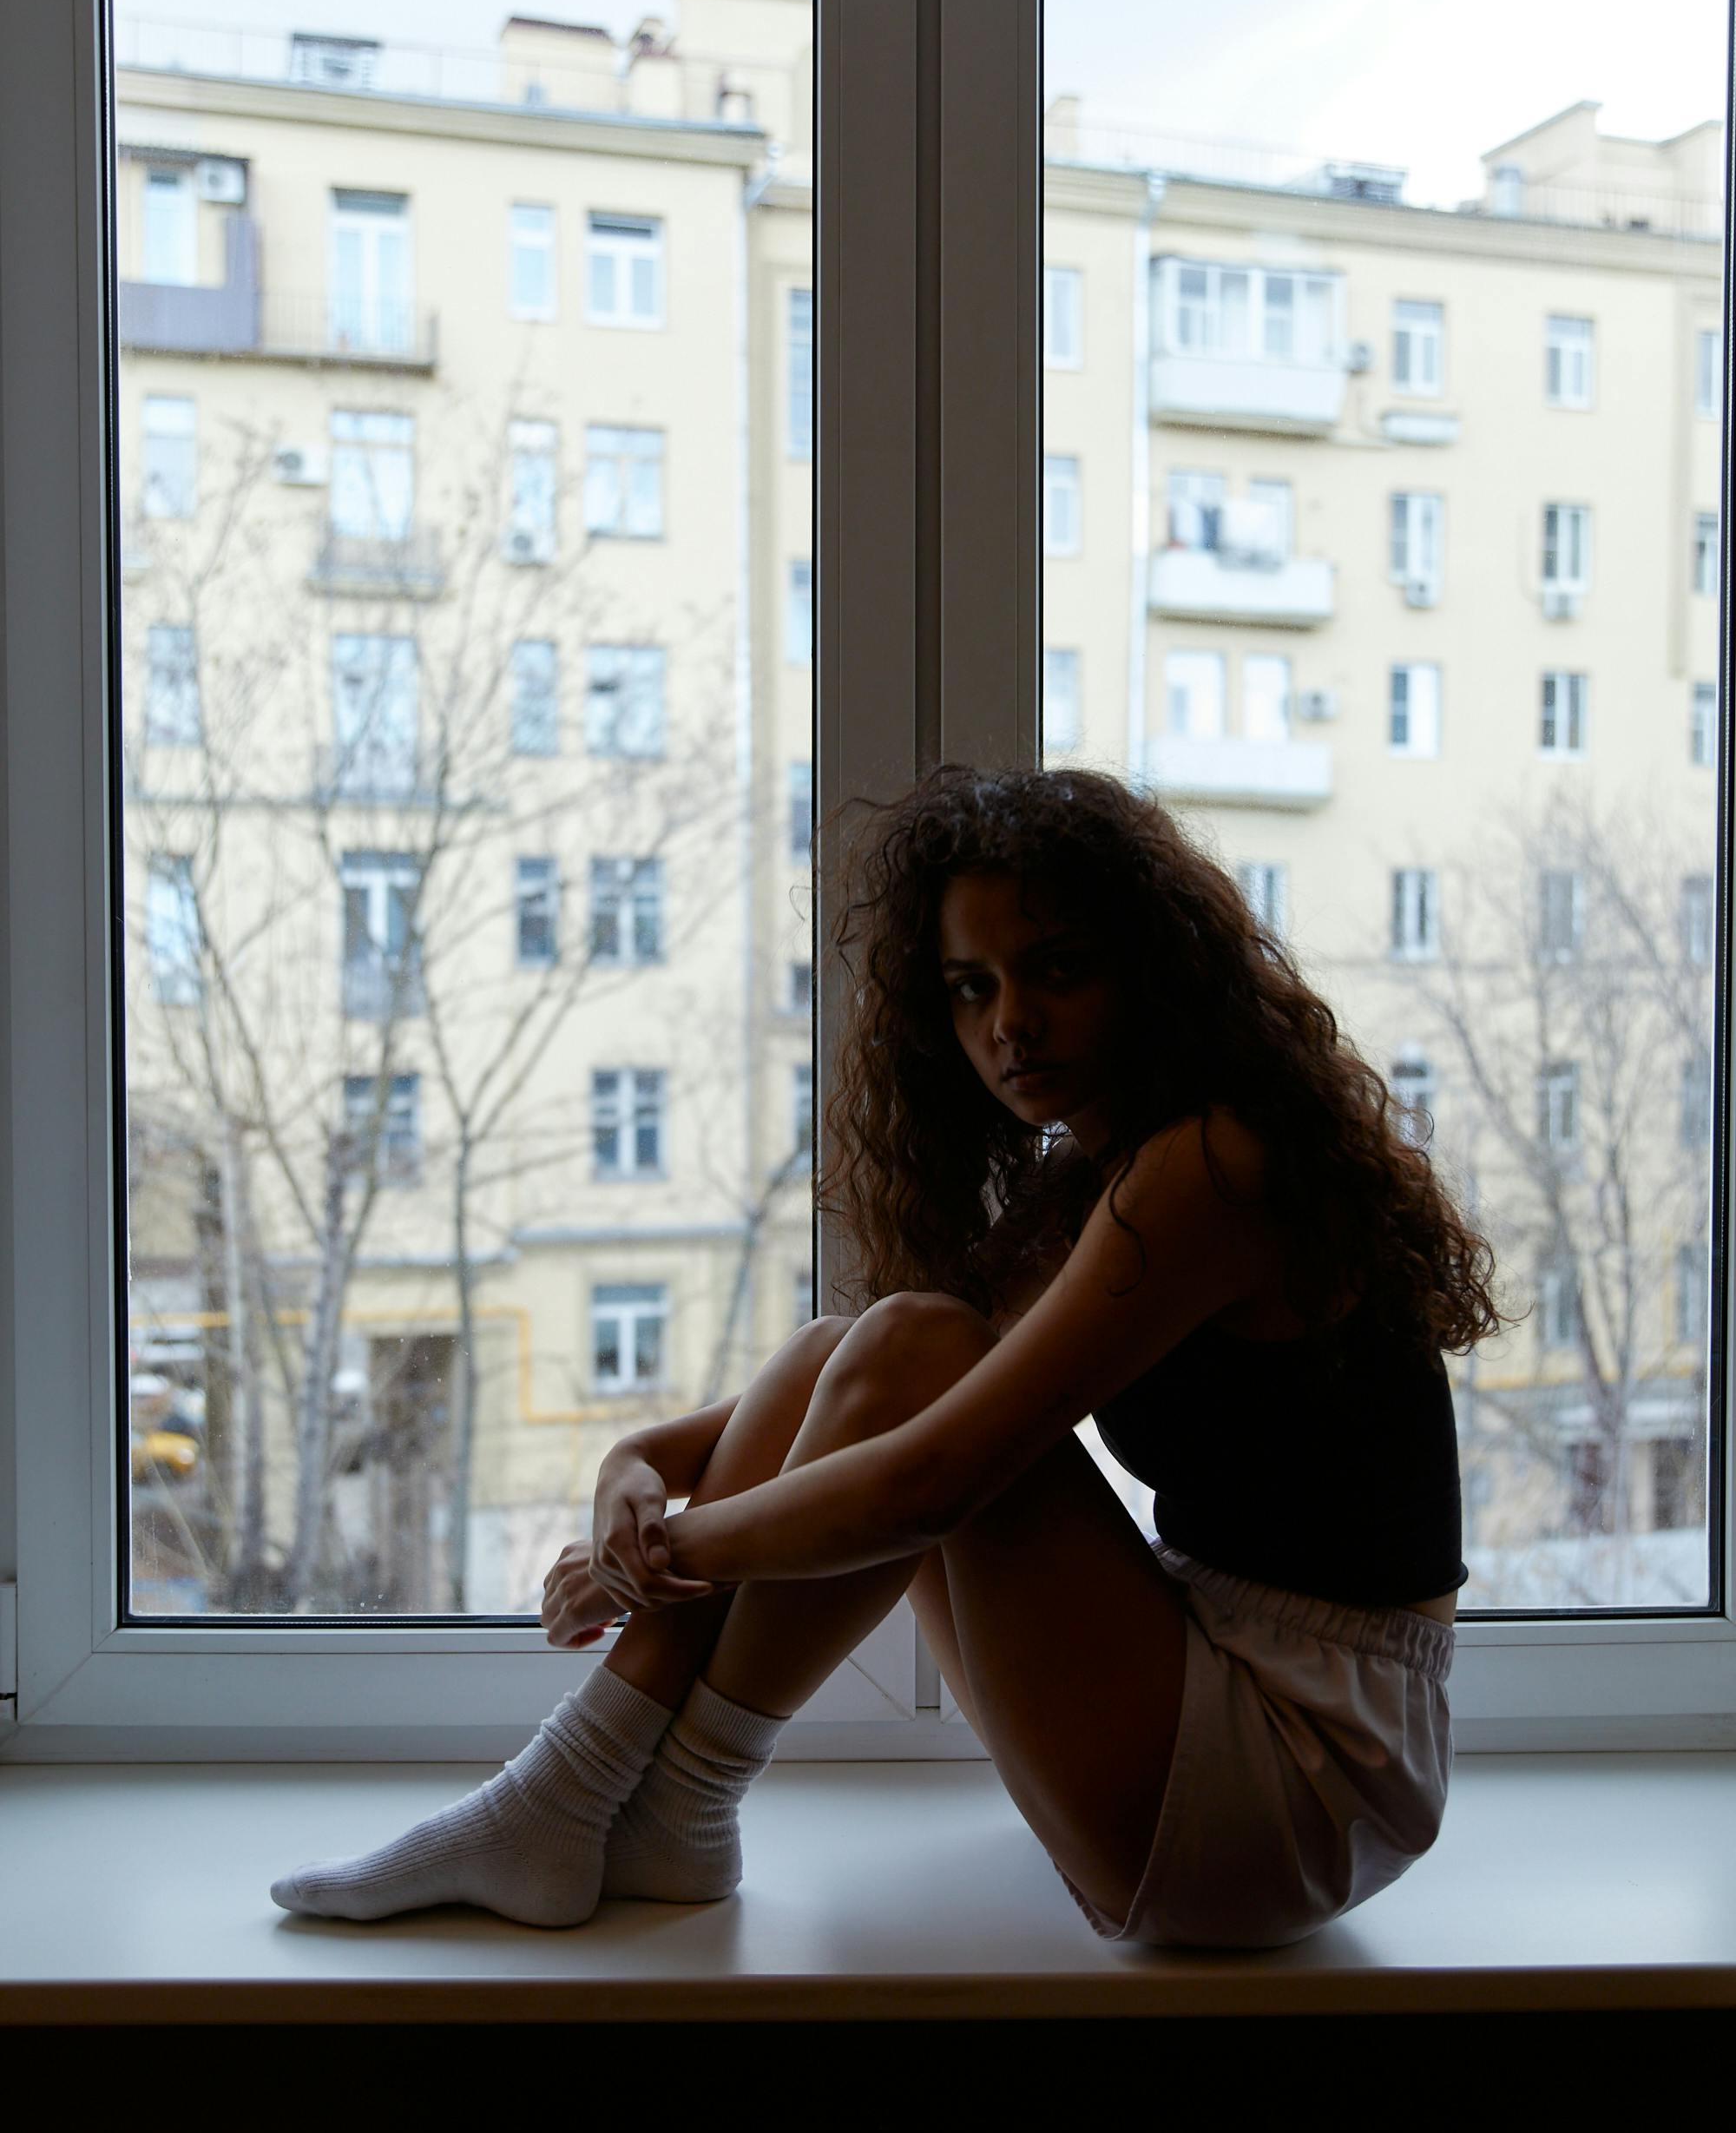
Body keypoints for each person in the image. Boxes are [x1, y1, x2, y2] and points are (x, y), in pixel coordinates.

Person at [272, 764, 1508, 1949]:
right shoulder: (1107, 1172)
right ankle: (645, 1810)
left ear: (1155, 973)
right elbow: (848, 1374)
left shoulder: (1213, 1170)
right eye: (970, 988)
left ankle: (598, 1794)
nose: (1009, 1025)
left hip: (1306, 1776)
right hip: (1218, 1689)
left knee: (918, 1351)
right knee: (859, 1344)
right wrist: (639, 1460)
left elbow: (931, 1479)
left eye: (1057, 971)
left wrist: (662, 1551)